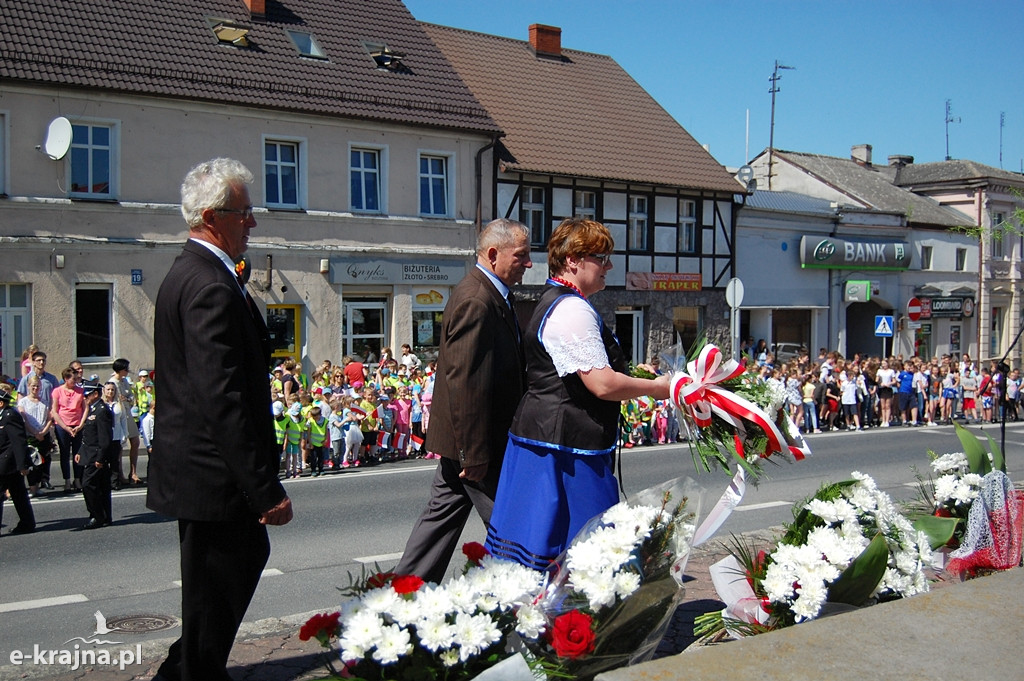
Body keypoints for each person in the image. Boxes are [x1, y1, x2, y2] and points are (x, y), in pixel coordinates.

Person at [147, 158, 292, 681]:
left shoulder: (199, 272)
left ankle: (187, 669)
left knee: (213, 595)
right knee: (216, 594)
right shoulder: (207, 283)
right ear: (212, 216)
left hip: (206, 474)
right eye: (244, 213)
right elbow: (221, 397)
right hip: (214, 477)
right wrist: (263, 488)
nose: (252, 222)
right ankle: (189, 672)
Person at [484, 217, 670, 570]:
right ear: (573, 260)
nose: (609, 266)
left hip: (551, 440)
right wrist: (658, 389)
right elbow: (601, 384)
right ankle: (567, 617)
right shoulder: (571, 308)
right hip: (563, 449)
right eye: (601, 258)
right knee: (574, 545)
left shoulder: (560, 301)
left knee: (547, 544)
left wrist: (634, 376)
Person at [395, 218, 532, 584]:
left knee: (436, 527)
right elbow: (465, 383)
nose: (528, 263)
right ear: (492, 254)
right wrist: (473, 455)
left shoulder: (491, 294)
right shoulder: (476, 299)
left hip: (472, 445)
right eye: (521, 255)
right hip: (477, 447)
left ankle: (398, 604)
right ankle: (525, 604)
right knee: (513, 533)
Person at [77, 380, 115, 529]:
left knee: (88, 485)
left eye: (87, 395)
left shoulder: (101, 411)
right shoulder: (93, 409)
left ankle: (97, 515)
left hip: (96, 456)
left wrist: (100, 458)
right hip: (90, 453)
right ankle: (105, 516)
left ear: (95, 394)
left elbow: (105, 439)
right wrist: (81, 451)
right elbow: (89, 435)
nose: (85, 397)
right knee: (101, 486)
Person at [0, 386, 36, 535]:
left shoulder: (9, 416)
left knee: (16, 494)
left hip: (8, 463)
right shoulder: (3, 416)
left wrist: (23, 464)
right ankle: (27, 523)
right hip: (6, 463)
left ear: (1, 403)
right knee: (18, 494)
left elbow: (18, 442)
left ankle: (27, 523)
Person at [17, 375, 54, 497]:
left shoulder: (44, 402)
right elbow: (25, 420)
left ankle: (37, 486)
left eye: (38, 386)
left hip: (43, 435)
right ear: (28, 386)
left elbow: (50, 418)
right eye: (33, 386)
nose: (35, 388)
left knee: (41, 462)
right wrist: (35, 433)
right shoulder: (23, 402)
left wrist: (43, 432)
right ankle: (32, 488)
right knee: (32, 463)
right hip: (31, 436)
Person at [108, 358, 144, 484]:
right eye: (126, 368)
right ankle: (119, 473)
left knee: (135, 441)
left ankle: (133, 472)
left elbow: (131, 397)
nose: (128, 371)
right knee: (120, 446)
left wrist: (128, 399)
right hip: (119, 416)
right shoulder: (113, 382)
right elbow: (118, 398)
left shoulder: (124, 381)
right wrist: (126, 399)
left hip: (128, 414)